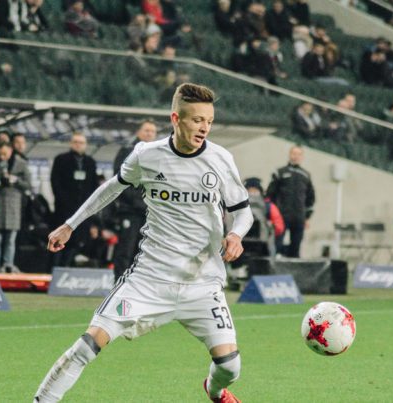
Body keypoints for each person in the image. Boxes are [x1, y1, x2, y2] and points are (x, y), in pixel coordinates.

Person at [34, 83, 251, 403]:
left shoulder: (220, 159)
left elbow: (243, 212)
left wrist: (235, 234)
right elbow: (111, 188)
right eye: (197, 120)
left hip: (202, 283)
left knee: (230, 367)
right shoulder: (147, 155)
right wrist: (70, 225)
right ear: (176, 119)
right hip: (148, 280)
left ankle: (215, 390)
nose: (204, 127)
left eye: (209, 121)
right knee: (87, 345)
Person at [110, 120, 157, 281]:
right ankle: (119, 284)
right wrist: (137, 202)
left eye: (152, 131)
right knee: (126, 249)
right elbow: (119, 180)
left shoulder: (157, 154)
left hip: (149, 212)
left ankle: (136, 285)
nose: (149, 134)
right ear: (138, 132)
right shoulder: (127, 151)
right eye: (146, 130)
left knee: (142, 251)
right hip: (130, 210)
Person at [50, 132, 99, 266]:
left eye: (81, 142)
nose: (78, 145)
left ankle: (67, 268)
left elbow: (94, 185)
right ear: (71, 143)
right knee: (59, 240)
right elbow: (55, 182)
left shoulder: (90, 162)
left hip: (82, 209)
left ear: (86, 145)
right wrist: (63, 200)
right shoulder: (61, 159)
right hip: (64, 208)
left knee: (76, 242)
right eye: (75, 142)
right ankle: (54, 269)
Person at [0, 141, 31, 273]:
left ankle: (8, 264)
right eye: (0, 154)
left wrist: (16, 180)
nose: (2, 157)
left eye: (5, 154)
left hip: (14, 204)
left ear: (11, 151)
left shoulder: (21, 164)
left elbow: (28, 184)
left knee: (11, 238)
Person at [266, 145, 315, 257]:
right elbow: (270, 194)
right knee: (277, 246)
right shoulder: (280, 172)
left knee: (296, 248)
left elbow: (310, 198)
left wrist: (307, 217)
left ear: (302, 157)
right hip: (281, 216)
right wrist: (271, 214)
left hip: (299, 217)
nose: (296, 156)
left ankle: (294, 265)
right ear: (289, 155)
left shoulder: (306, 175)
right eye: (294, 153)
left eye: (299, 154)